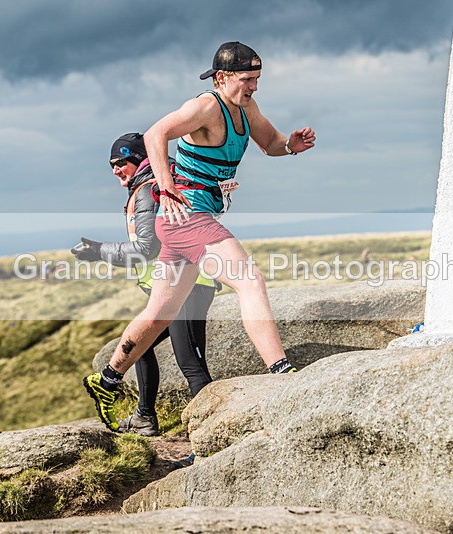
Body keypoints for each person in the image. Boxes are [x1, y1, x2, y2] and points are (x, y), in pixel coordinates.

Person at [83, 41, 316, 435]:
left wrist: (290, 147)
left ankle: (107, 379)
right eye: (246, 79)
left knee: (160, 313)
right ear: (222, 77)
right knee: (249, 280)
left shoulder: (246, 108)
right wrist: (165, 186)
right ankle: (281, 371)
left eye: (257, 79)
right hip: (186, 217)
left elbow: (271, 143)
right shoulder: (206, 107)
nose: (254, 87)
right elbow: (156, 133)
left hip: (182, 223)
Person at [74, 132, 218, 437]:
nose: (115, 170)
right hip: (177, 286)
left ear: (141, 160)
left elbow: (146, 248)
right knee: (142, 345)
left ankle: (212, 438)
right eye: (111, 165)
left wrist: (98, 251)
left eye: (120, 162)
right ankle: (144, 417)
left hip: (184, 287)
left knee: (191, 366)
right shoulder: (160, 185)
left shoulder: (148, 190)